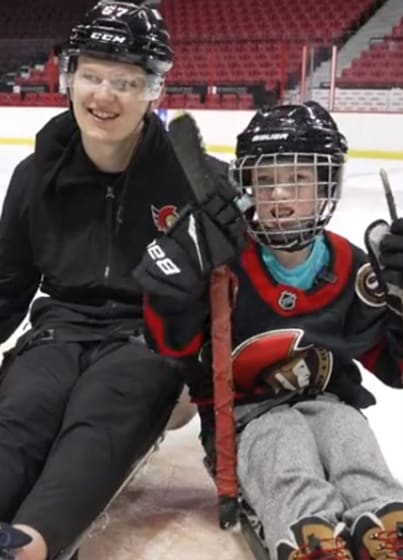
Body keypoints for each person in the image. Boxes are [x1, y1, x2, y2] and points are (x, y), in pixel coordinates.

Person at [137, 102, 403, 560]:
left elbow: (396, 365)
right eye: (266, 181)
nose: (280, 195)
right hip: (247, 418)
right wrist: (178, 285)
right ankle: (310, 530)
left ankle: (384, 516)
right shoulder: (224, 265)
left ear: (327, 184)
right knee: (282, 441)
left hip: (328, 399)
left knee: (348, 431)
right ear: (246, 187)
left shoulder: (352, 267)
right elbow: (174, 345)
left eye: (299, 180)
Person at [0, 1, 208, 559]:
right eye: (91, 76)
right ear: (69, 78)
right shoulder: (33, 176)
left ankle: (29, 546)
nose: (104, 95)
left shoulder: (189, 179)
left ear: (153, 90)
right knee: (22, 411)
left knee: (99, 420)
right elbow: (8, 287)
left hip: (147, 338)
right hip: (59, 331)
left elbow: (217, 296)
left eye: (125, 81)